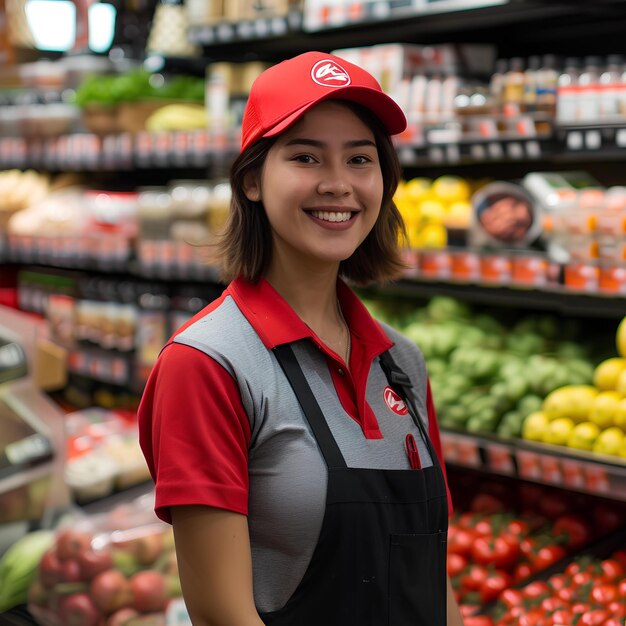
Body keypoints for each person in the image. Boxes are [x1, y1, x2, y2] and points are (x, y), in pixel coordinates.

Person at [138, 50, 464, 626]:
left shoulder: (401, 362)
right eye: (306, 157)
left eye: (360, 159)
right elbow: (222, 615)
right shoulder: (208, 364)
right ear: (252, 180)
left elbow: (432, 580)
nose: (338, 184)